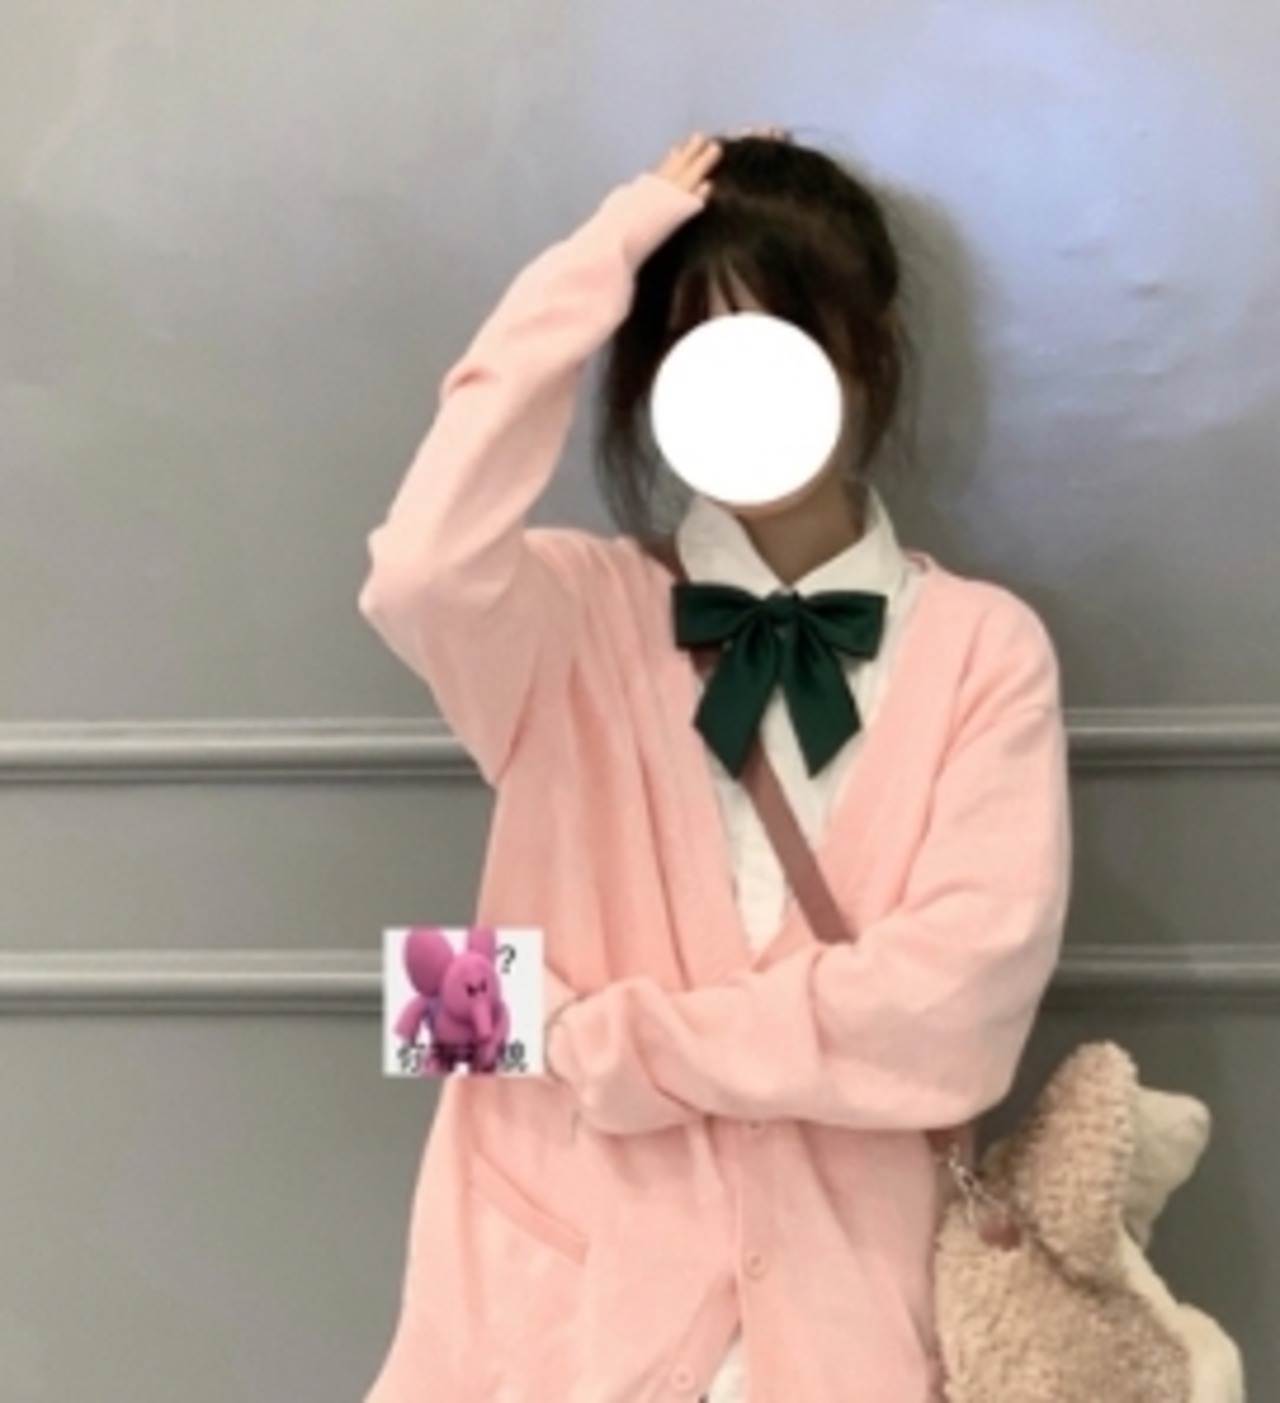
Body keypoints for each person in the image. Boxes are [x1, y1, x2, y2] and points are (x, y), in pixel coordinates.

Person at [357, 129, 1071, 1403]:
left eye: (782, 341)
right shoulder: (561, 613)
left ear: (865, 348)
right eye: (697, 347)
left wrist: (599, 1040)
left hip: (846, 1324)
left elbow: (951, 1015)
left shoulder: (981, 649)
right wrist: (604, 254)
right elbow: (414, 566)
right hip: (556, 1317)